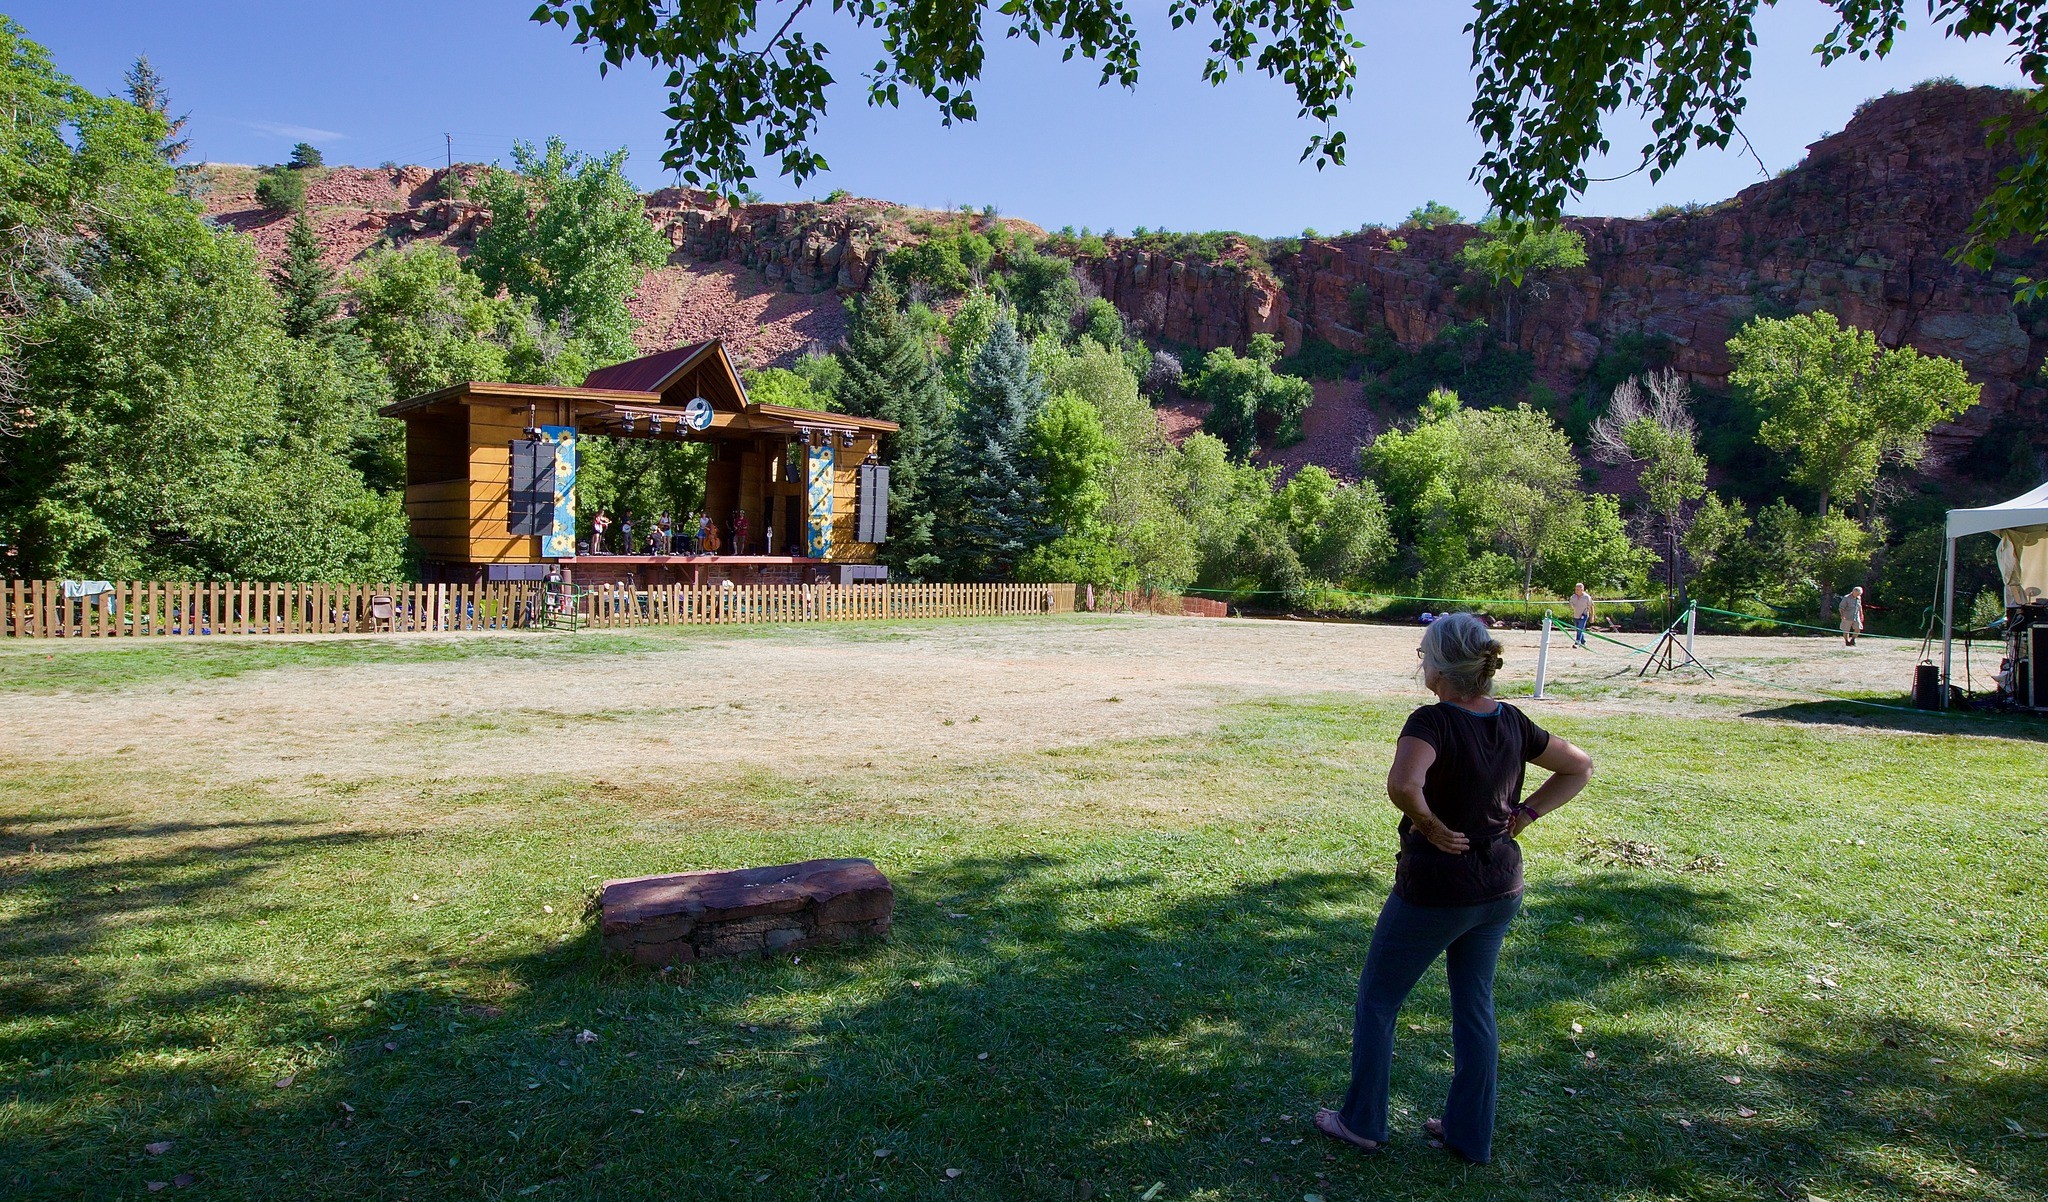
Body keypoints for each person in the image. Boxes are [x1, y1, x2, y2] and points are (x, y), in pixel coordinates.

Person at [1316, 612, 1593, 1165]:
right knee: (1474, 1007)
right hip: (1498, 888)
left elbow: (1403, 783)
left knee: (1378, 1001)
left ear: (1438, 665)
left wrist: (1430, 824)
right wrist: (1530, 812)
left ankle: (1361, 1122)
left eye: (1423, 654)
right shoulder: (1512, 720)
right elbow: (1578, 766)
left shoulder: (1432, 721)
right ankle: (1468, 1133)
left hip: (1436, 891)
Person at [1569, 583, 1594, 649]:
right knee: (1578, 629)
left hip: (1584, 615)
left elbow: (1591, 607)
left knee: (1580, 628)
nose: (1576, 591)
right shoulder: (1573, 597)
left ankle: (1577, 643)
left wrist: (1592, 616)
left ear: (1582, 589)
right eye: (1575, 589)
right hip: (1575, 615)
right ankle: (1583, 642)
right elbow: (1570, 604)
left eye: (1578, 589)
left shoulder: (1587, 597)